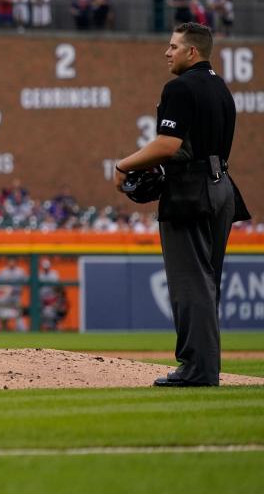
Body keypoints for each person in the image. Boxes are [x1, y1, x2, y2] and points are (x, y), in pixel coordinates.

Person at [115, 23, 249, 387]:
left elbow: (168, 144)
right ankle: (206, 366)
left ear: (193, 52)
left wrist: (124, 164)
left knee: (191, 283)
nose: (167, 52)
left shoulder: (180, 87)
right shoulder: (221, 89)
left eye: (174, 46)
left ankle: (197, 369)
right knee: (208, 282)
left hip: (192, 191)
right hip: (222, 187)